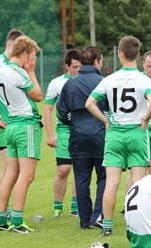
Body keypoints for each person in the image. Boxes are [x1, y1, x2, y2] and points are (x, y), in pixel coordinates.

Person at [85, 36, 151, 236]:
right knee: (140, 183)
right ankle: (138, 225)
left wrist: (105, 120)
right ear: (138, 54)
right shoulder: (144, 79)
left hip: (114, 135)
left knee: (112, 183)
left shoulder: (109, 79)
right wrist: (146, 119)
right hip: (137, 133)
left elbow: (89, 103)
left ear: (120, 53)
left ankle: (107, 227)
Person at [0, 36, 42, 233]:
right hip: (26, 126)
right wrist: (31, 71)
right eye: (33, 56)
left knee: (10, 174)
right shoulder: (18, 72)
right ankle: (18, 221)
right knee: (26, 176)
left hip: (11, 125)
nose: (33, 60)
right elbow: (38, 95)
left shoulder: (2, 70)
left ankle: (1, 219)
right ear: (24, 54)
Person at [56, 46, 107, 229]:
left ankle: (85, 221)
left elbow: (61, 111)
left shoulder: (70, 83)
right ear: (96, 62)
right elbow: (112, 109)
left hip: (78, 137)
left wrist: (74, 122)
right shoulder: (103, 82)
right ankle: (97, 216)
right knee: (104, 177)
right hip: (101, 136)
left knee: (81, 178)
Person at [0, 29, 25, 214]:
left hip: (16, 123)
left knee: (12, 170)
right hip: (3, 124)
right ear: (11, 44)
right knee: (8, 169)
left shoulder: (14, 65)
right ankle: (3, 210)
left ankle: (2, 209)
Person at [44, 49, 81, 218]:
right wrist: (50, 134)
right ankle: (58, 207)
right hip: (64, 131)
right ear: (67, 66)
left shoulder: (84, 82)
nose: (78, 69)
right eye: (74, 67)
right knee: (63, 170)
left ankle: (75, 207)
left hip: (82, 131)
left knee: (80, 169)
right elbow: (48, 108)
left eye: (80, 66)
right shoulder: (56, 83)